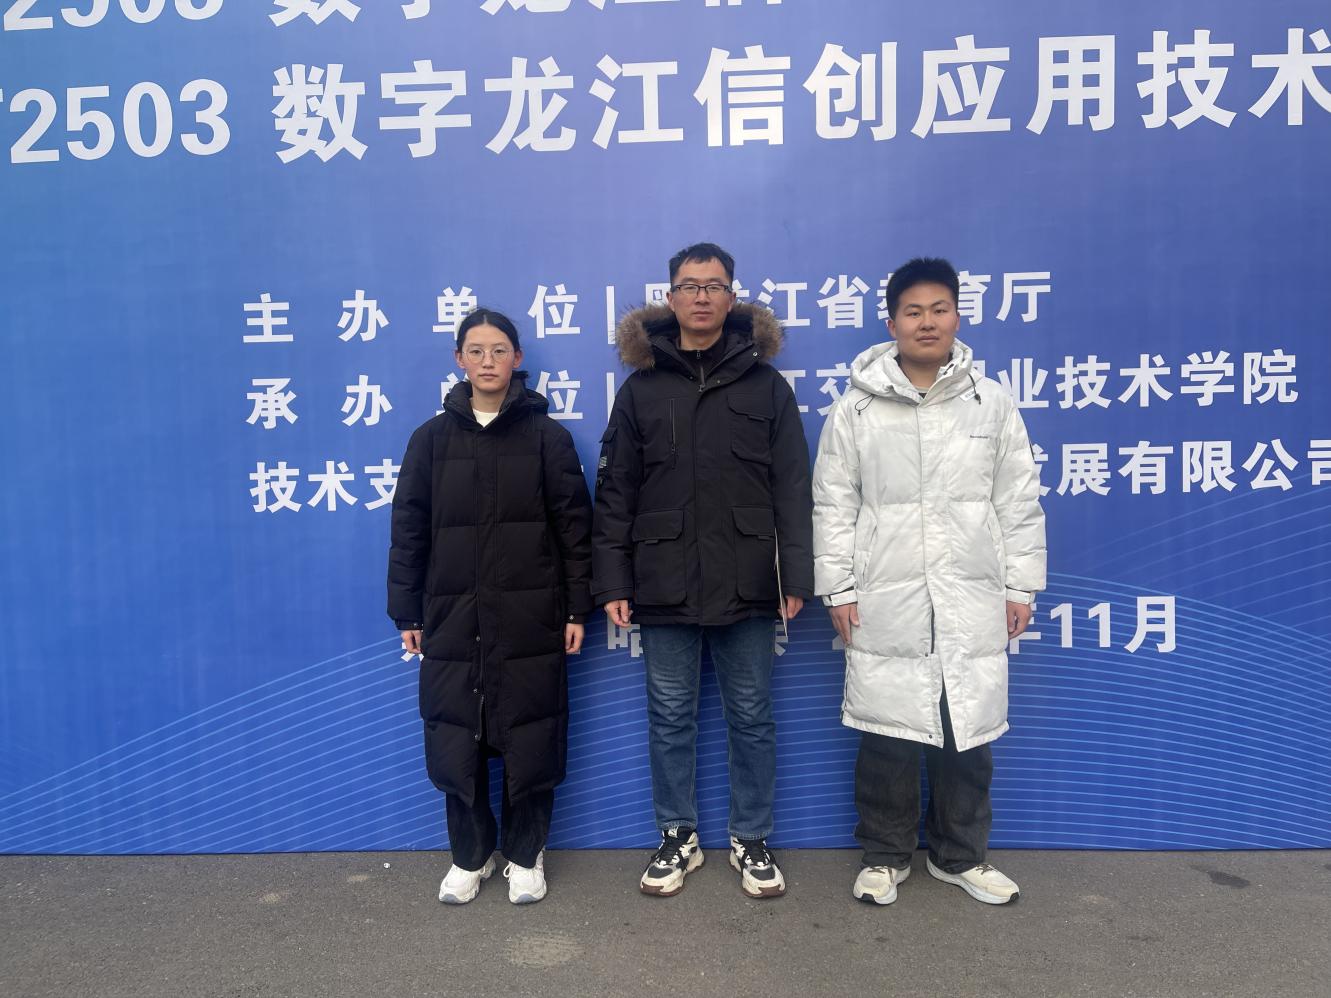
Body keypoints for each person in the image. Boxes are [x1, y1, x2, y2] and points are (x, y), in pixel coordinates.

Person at [811, 257, 1046, 907]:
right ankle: (884, 857)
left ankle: (960, 855)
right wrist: (839, 588)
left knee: (965, 729)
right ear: (891, 324)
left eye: (938, 309)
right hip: (887, 593)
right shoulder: (857, 408)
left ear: (957, 317)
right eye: (912, 311)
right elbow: (833, 504)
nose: (926, 322)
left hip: (970, 591)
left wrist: (1020, 586)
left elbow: (1017, 500)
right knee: (887, 730)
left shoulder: (989, 404)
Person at [592, 242, 814, 898]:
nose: (701, 297)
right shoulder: (640, 389)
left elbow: (792, 488)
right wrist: (612, 580)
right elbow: (615, 492)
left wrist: (796, 577)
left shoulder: (765, 386)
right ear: (669, 298)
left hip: (749, 579)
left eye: (714, 286)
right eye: (689, 286)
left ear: (731, 297)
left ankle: (751, 837)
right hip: (662, 579)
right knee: (669, 716)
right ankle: (677, 836)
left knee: (751, 714)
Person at [387, 307, 593, 905]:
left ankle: (526, 853)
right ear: (459, 359)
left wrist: (575, 610)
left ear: (517, 359)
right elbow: (409, 533)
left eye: (499, 350)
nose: (487, 361)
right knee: (458, 736)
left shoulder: (548, 439)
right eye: (475, 350)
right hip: (453, 617)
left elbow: (574, 532)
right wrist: (408, 613)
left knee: (531, 734)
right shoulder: (429, 441)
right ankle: (470, 854)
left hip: (531, 617)